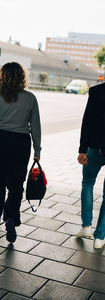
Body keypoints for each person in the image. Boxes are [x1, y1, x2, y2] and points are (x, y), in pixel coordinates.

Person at [0, 62, 41, 243]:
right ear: (22, 77)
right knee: (17, 182)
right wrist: (37, 149)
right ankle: (11, 216)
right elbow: (35, 126)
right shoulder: (30, 98)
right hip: (21, 142)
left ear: (1, 77)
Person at [77, 82, 105, 249]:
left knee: (88, 183)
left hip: (94, 148)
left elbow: (86, 121)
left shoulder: (97, 91)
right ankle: (100, 236)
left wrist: (82, 149)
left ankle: (86, 227)